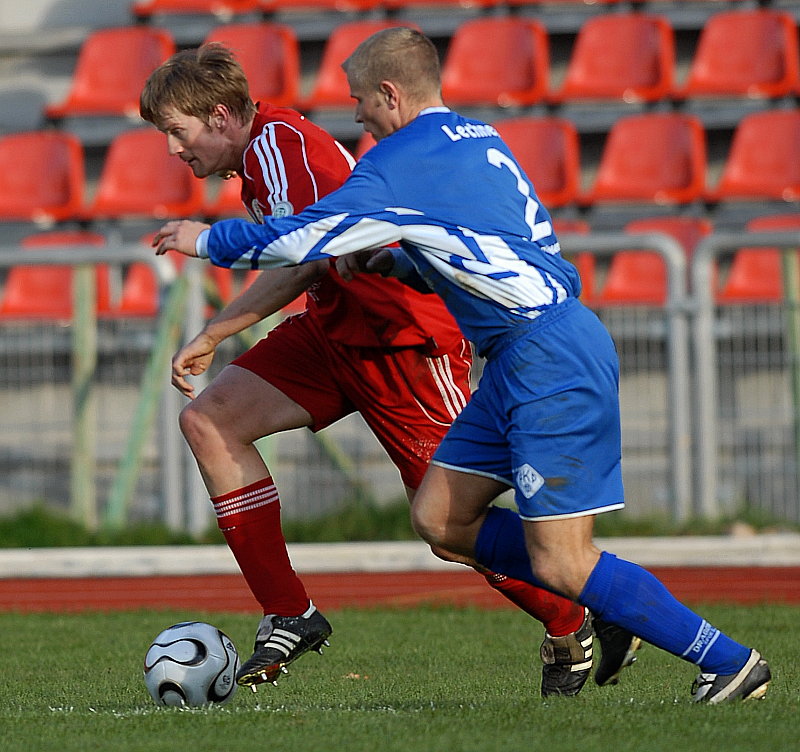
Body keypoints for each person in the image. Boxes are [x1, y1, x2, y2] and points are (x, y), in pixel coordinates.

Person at [152, 27, 773, 704]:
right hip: (512, 348)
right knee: (442, 520)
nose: (355, 117)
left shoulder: (387, 156)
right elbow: (490, 240)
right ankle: (578, 597)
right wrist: (392, 260)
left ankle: (724, 658)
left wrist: (206, 239)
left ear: (390, 93)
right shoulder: (476, 139)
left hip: (531, 354)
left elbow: (308, 238)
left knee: (563, 559)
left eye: (361, 101)